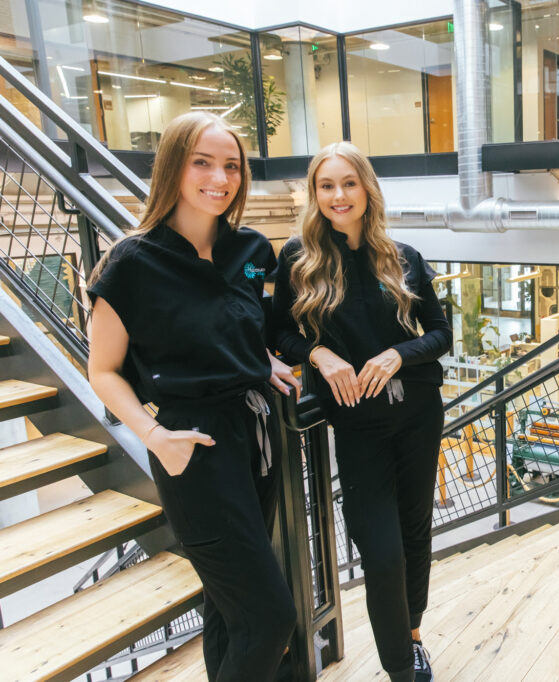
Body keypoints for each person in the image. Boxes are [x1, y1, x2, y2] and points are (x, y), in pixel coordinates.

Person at [87, 112, 301, 680]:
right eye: (202, 162)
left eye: (231, 165)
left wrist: (263, 361)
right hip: (194, 449)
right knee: (271, 618)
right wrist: (155, 437)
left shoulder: (252, 249)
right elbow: (102, 371)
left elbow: (242, 326)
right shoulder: (132, 262)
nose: (220, 177)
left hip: (257, 436)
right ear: (172, 169)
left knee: (229, 611)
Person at [272, 142, 452, 682]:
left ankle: (412, 636)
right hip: (357, 426)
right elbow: (275, 332)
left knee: (416, 532)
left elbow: (442, 334)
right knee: (380, 552)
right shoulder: (297, 259)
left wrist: (399, 353)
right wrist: (318, 354)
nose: (338, 195)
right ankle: (401, 669)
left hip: (419, 414)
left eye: (349, 183)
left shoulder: (403, 257)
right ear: (315, 193)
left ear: (367, 188)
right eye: (326, 185)